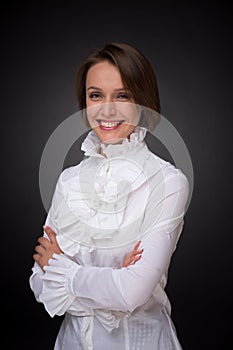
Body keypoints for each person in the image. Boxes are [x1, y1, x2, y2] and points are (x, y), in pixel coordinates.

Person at [29, 42, 190, 349]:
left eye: (122, 95)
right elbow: (39, 281)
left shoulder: (168, 183)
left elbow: (132, 293)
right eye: (95, 95)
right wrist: (111, 280)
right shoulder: (69, 181)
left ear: (143, 101)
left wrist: (67, 273)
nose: (107, 109)